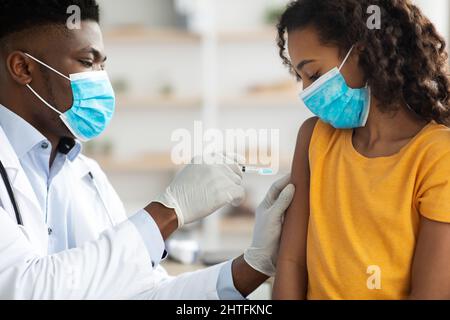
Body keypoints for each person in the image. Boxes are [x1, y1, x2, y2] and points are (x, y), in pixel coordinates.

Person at [0, 0, 295, 299]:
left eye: (103, 65)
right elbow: (26, 288)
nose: (101, 80)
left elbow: (144, 292)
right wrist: (168, 211)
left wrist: (254, 264)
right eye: (88, 63)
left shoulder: (87, 176)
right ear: (23, 68)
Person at [273, 0, 450, 300]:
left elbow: (431, 293)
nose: (306, 92)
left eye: (314, 75)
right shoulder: (314, 138)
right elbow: (291, 262)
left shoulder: (437, 155)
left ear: (364, 52)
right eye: (299, 77)